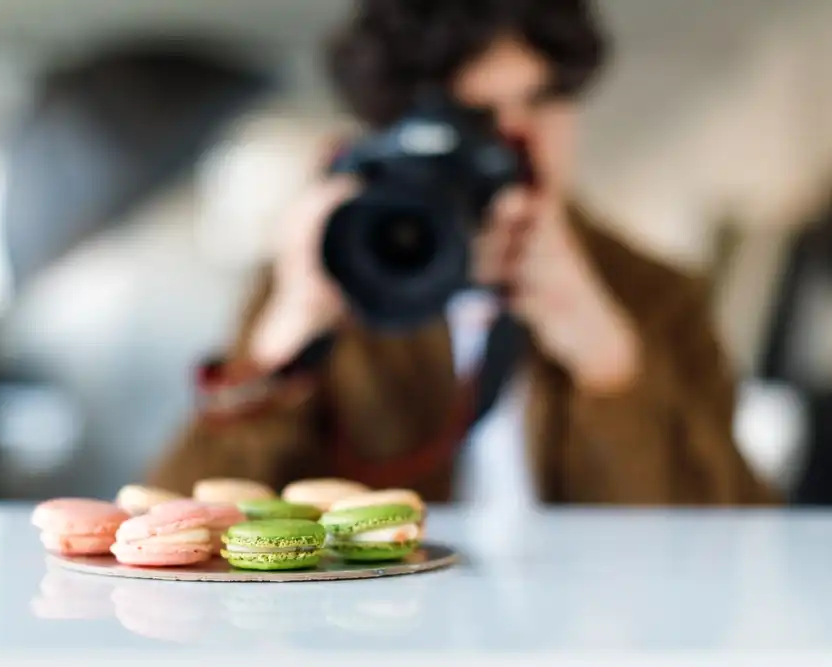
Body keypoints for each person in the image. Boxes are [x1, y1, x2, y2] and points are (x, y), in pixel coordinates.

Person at [148, 0, 778, 505]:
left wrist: (606, 356)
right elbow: (178, 520)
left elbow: (732, 543)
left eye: (541, 100)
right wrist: (282, 340)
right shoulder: (333, 273)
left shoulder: (655, 294)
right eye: (476, 116)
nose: (516, 138)